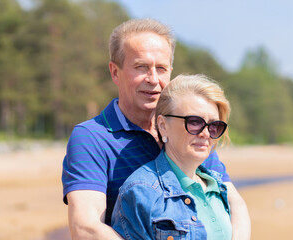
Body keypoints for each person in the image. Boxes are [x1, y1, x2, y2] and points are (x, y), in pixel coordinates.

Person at [62, 18, 250, 240]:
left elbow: (232, 200)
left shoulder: (189, 130)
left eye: (161, 69)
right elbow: (85, 228)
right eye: (141, 67)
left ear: (170, 71)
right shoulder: (92, 137)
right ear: (115, 72)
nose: (153, 79)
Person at [112, 74, 232, 240]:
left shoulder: (217, 186)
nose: (206, 134)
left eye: (214, 126)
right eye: (194, 122)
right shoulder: (141, 192)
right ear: (163, 126)